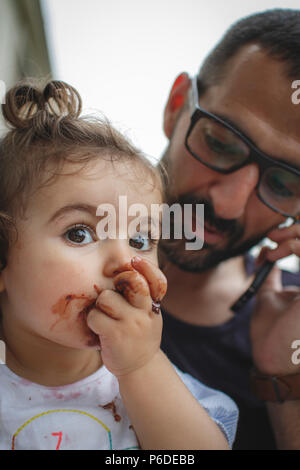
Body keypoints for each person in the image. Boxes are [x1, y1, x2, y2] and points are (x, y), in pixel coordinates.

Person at [0, 80, 238, 450]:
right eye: (80, 233)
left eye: (141, 240)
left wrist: (140, 367)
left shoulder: (154, 391)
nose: (124, 263)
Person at [158, 8, 300, 450]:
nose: (228, 203)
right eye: (220, 143)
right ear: (177, 104)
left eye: (283, 183)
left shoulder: (294, 323)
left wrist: (282, 381)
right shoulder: (25, 238)